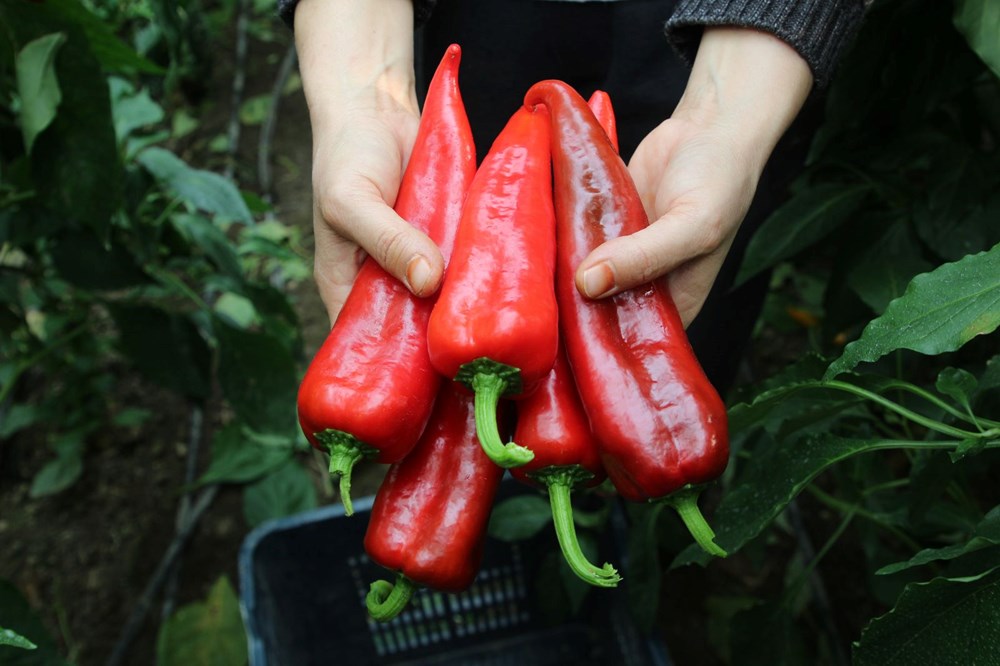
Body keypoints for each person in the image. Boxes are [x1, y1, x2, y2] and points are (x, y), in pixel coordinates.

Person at [279, 0, 867, 393]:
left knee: (674, 284)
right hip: (486, 17)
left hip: (731, 43)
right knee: (453, 328)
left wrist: (723, 121)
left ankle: (643, 534)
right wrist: (367, 98)